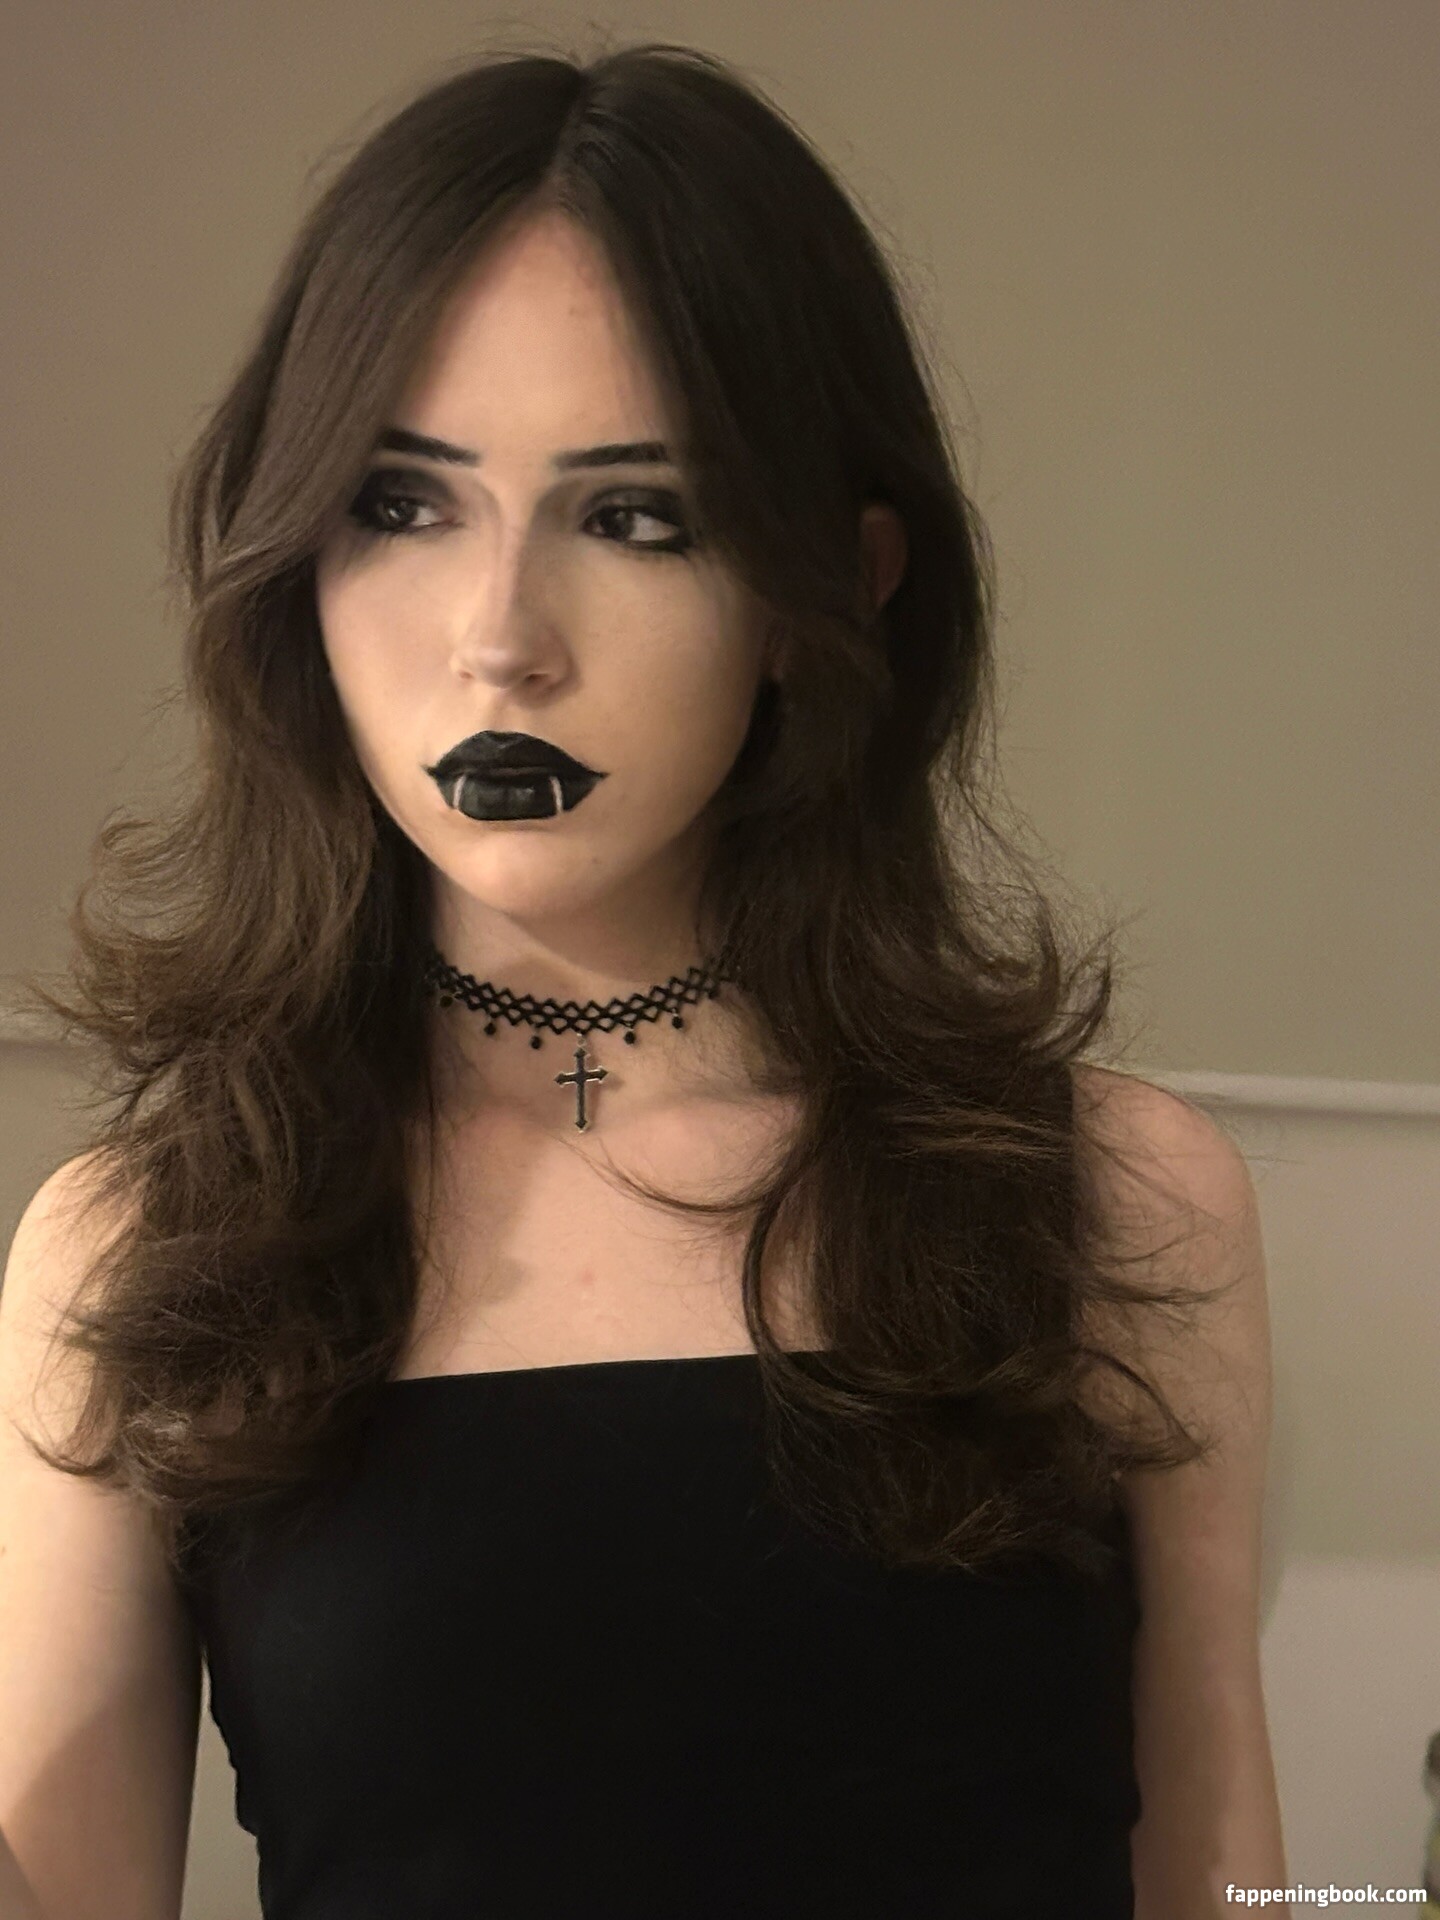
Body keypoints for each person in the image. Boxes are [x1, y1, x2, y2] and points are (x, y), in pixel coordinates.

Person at [0, 37, 1286, 1920]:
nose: (500, 639)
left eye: (634, 516)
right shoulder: (148, 1251)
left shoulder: (1115, 1206)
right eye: (401, 504)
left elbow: (1233, 1879)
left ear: (832, 580)